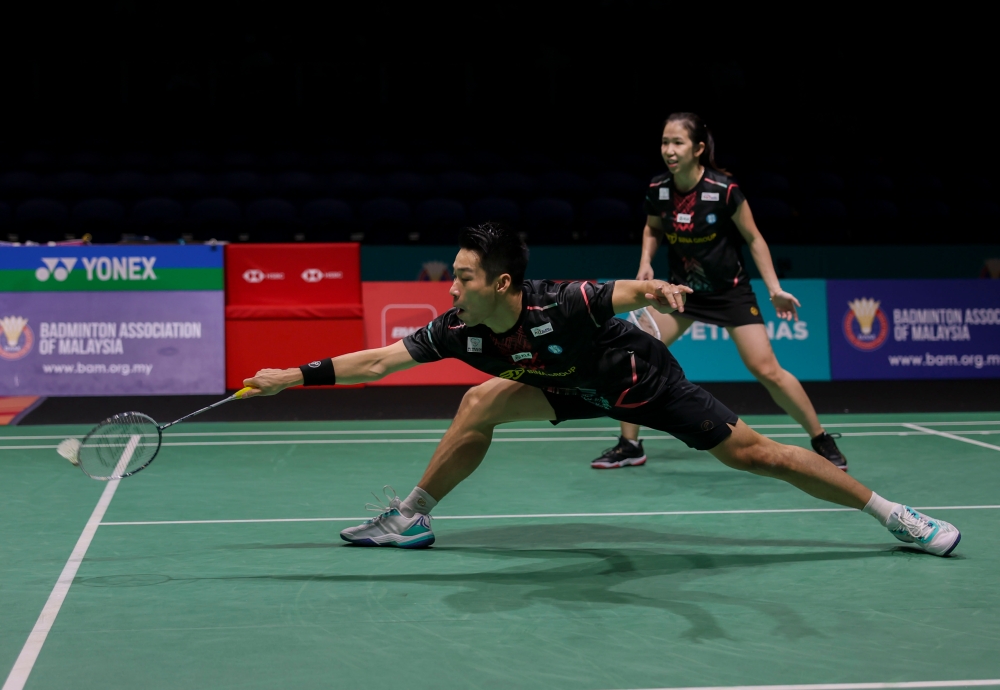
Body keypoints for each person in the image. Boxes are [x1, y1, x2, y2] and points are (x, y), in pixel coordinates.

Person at [242, 222, 960, 556]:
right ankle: (412, 517)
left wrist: (658, 288)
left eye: (463, 277)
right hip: (567, 387)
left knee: (758, 455)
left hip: (640, 384)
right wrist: (290, 378)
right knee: (478, 401)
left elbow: (624, 290)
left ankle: (893, 514)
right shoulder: (459, 327)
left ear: (501, 282)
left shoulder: (561, 301)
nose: (450, 288)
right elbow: (378, 363)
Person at [592, 112, 848, 471]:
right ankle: (630, 444)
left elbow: (754, 238)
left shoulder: (723, 190)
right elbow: (653, 229)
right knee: (633, 353)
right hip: (682, 293)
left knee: (767, 370)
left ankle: (820, 437)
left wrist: (774, 289)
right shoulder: (658, 189)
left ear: (698, 148)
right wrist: (646, 262)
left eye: (677, 142)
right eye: (665, 142)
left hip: (730, 293)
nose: (669, 150)